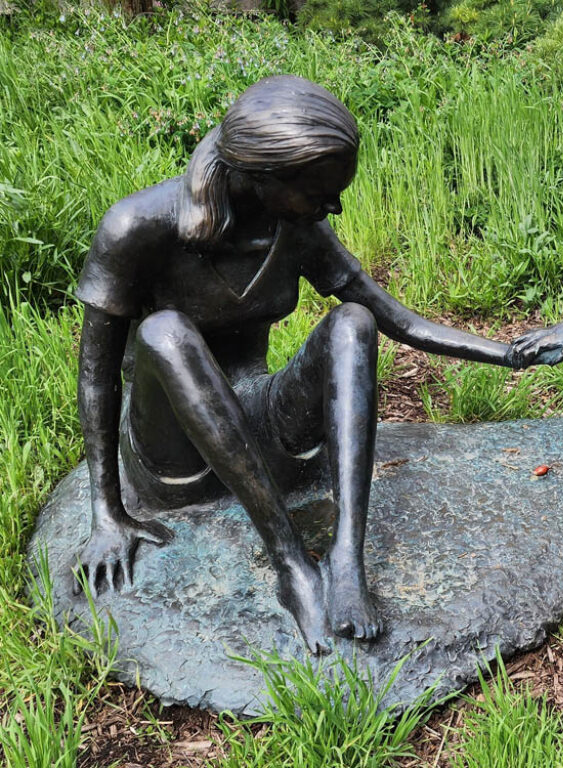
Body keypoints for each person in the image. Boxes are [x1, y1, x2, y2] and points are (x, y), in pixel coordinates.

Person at [74, 75, 512, 653]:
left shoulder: (296, 227)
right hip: (176, 458)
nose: (333, 207)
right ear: (262, 176)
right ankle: (290, 564)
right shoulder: (137, 227)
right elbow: (96, 376)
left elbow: (394, 318)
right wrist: (107, 512)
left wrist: (506, 352)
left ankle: (346, 558)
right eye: (318, 193)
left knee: (353, 321)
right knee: (164, 332)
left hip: (260, 432)